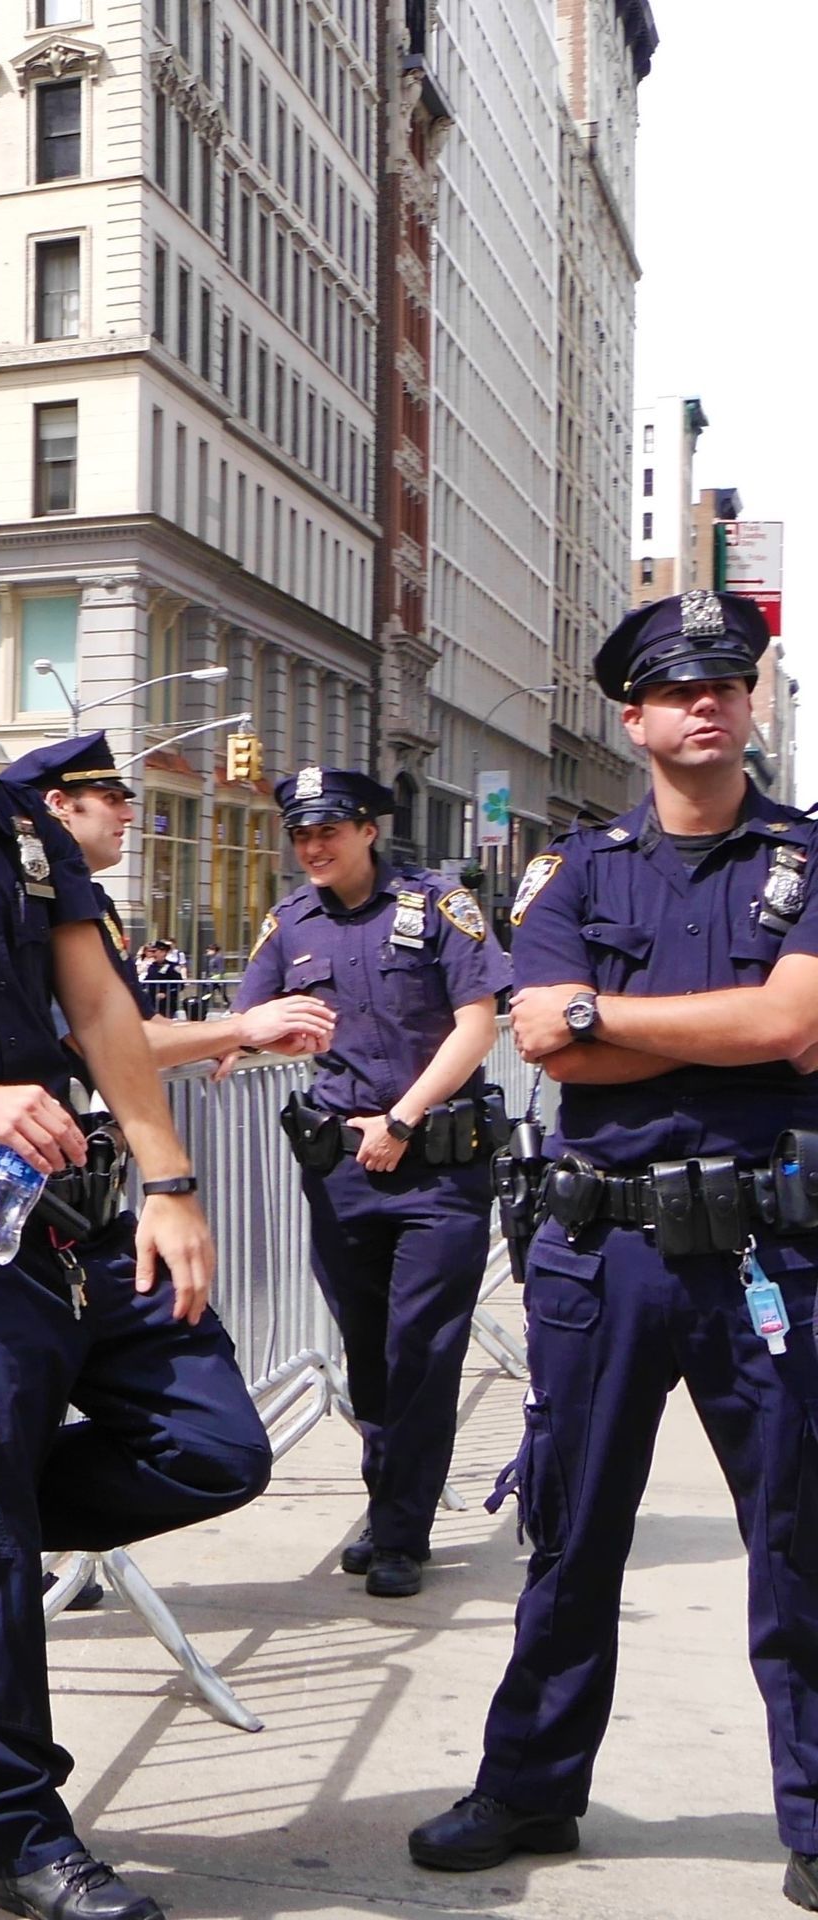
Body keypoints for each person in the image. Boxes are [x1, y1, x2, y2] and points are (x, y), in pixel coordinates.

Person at [0, 583, 274, 1920]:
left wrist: (172, 1180)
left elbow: (100, 1006)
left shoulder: (26, 832)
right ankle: (25, 1839)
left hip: (77, 1229)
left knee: (215, 1447)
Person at [407, 590, 818, 1910]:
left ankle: (813, 1818)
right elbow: (541, 1037)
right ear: (632, 718)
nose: (710, 703)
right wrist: (714, 1017)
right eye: (680, 688)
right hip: (607, 1255)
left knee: (800, 1541)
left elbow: (795, 1032)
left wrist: (613, 1013)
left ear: (750, 704)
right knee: (571, 1536)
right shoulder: (575, 874)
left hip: (767, 1252)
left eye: (730, 683)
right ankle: (531, 1791)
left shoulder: (806, 861)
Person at [233, 767, 509, 1596]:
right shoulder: (290, 922)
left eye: (329, 830)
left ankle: (400, 1533)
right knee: (369, 1352)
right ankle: (389, 1505)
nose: (313, 847)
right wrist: (252, 1041)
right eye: (303, 834)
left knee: (421, 1347)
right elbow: (253, 1026)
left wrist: (405, 1118)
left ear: (368, 831)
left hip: (436, 1169)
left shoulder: (437, 909)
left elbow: (478, 1024)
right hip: (343, 1172)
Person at [3, 730, 334, 1069]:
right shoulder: (24, 901)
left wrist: (239, 1039)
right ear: (59, 804)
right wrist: (240, 1029)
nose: (128, 815)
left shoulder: (92, 901)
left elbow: (146, 1026)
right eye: (111, 799)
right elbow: (109, 1040)